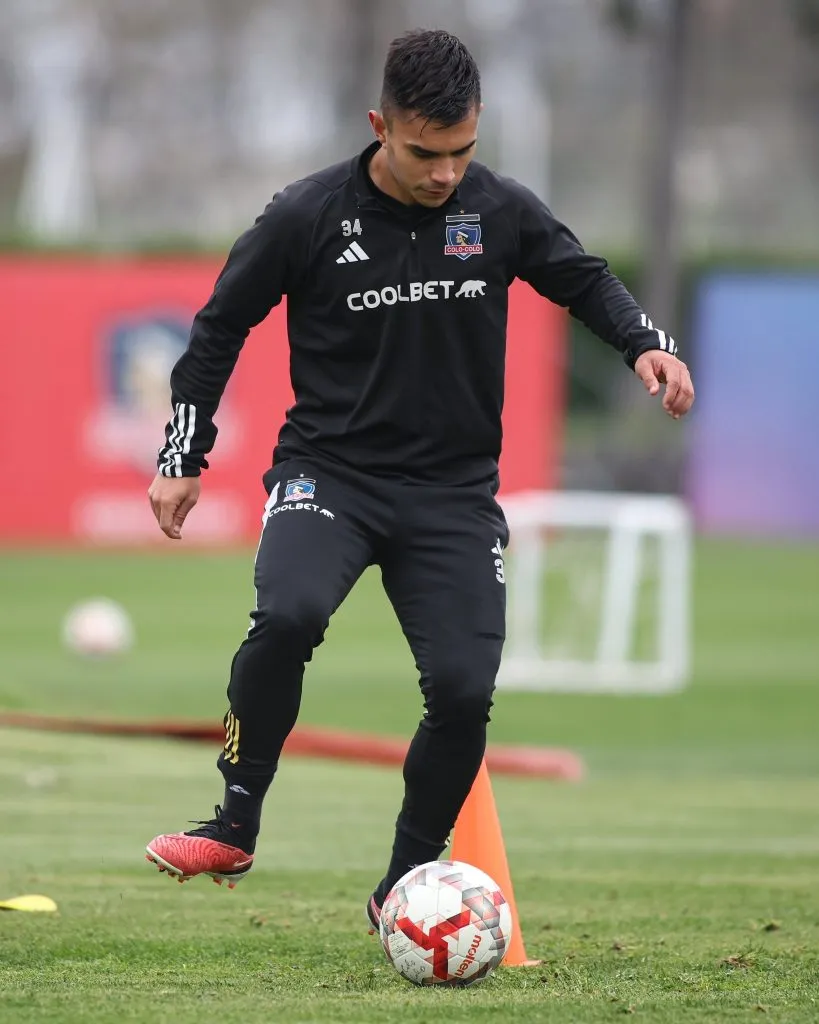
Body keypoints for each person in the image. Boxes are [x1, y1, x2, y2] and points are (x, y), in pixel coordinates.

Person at [145, 28, 695, 928]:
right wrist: (181, 457)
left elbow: (584, 279)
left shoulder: (498, 209)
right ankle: (234, 822)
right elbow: (217, 329)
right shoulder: (306, 215)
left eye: (461, 151)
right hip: (331, 475)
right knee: (288, 616)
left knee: (465, 691)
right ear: (380, 127)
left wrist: (644, 344)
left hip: (451, 495)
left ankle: (403, 886)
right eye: (423, 153)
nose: (444, 174)